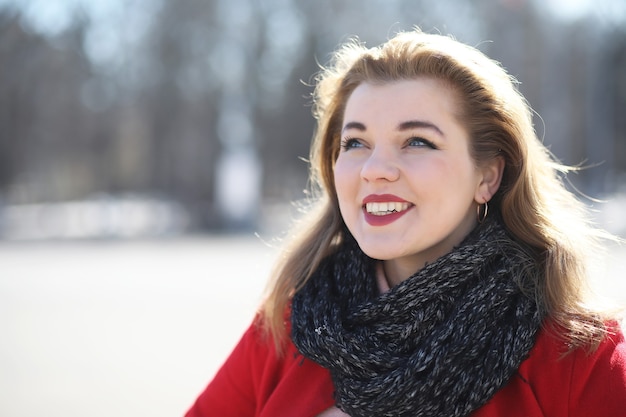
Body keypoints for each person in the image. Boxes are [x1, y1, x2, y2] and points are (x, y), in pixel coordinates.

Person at [185, 29, 626, 417]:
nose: (375, 169)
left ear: (488, 174)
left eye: (417, 141)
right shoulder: (289, 325)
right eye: (355, 142)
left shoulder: (579, 358)